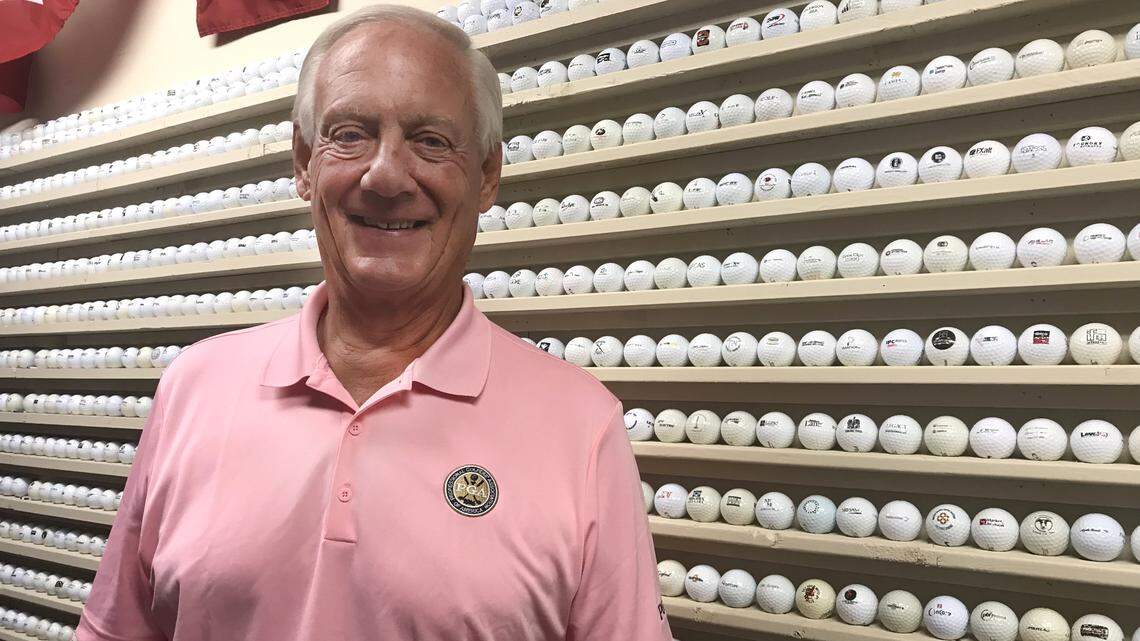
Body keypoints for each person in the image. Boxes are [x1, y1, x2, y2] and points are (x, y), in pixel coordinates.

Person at [77, 5, 672, 641]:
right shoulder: (193, 389)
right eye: (351, 134)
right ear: (305, 163)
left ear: (487, 175)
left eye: (432, 141)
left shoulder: (581, 427)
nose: (386, 175)